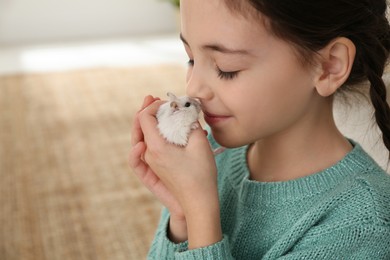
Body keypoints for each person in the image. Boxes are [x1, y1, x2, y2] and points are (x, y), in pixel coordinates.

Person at [129, 0, 390, 258]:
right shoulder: (205, 157)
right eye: (191, 59)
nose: (194, 88)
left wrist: (200, 212)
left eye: (225, 68)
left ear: (329, 66)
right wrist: (183, 215)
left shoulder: (365, 224)